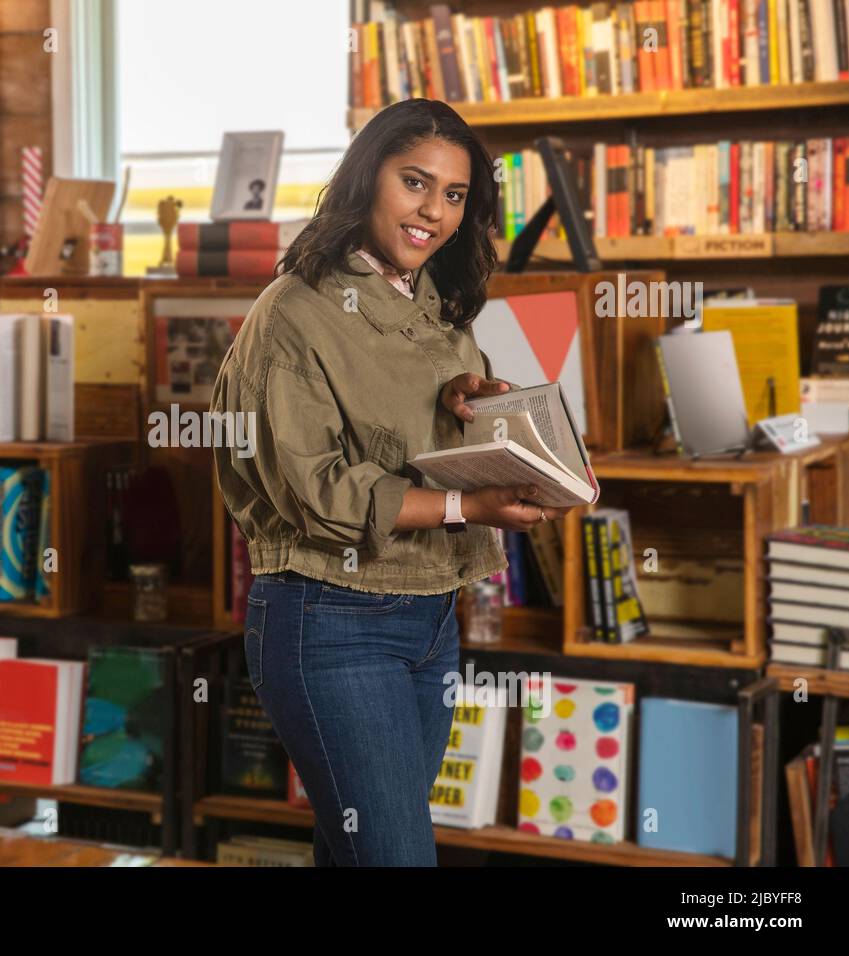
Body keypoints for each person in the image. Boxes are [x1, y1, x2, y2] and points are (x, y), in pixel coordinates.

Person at [210, 98, 575, 867]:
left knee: (361, 854)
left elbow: (402, 428)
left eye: (453, 195)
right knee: (397, 858)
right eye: (415, 183)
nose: (433, 212)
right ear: (365, 174)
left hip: (430, 620)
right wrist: (471, 505)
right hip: (330, 621)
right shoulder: (293, 311)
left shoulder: (435, 302)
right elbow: (323, 494)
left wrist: (466, 406)